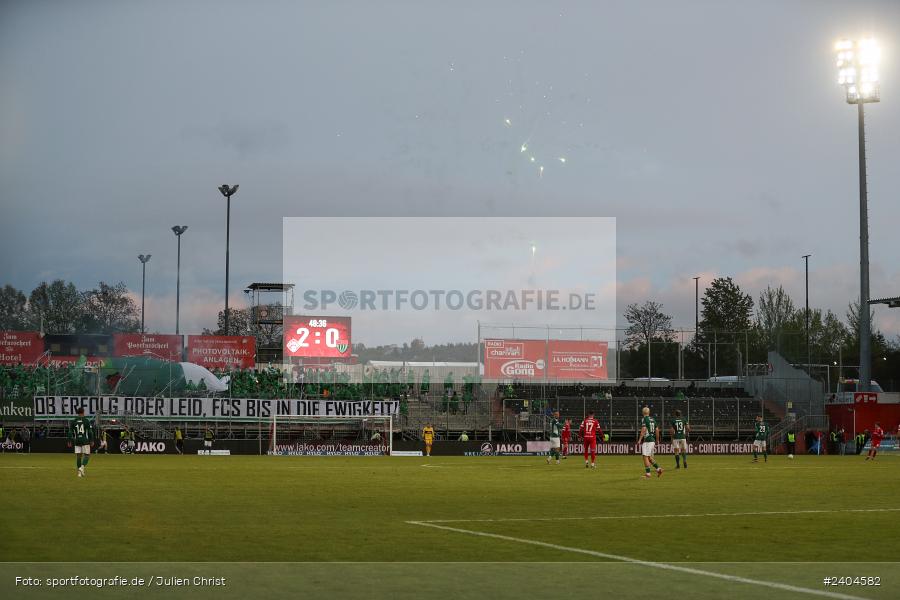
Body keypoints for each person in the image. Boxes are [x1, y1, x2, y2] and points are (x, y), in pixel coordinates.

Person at [67, 407, 95, 478]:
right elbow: (90, 432)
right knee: (87, 455)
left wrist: (69, 440)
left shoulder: (74, 421)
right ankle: (82, 468)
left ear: (77, 412)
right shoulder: (86, 421)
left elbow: (70, 432)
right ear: (83, 412)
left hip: (77, 441)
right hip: (85, 440)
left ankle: (79, 473)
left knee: (78, 456)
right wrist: (91, 440)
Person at [638, 406, 663, 479]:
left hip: (648, 441)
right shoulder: (653, 419)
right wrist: (657, 440)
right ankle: (659, 469)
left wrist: (640, 439)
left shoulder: (644, 419)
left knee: (645, 457)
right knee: (649, 458)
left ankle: (648, 474)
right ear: (649, 412)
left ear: (643, 413)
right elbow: (657, 430)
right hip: (652, 441)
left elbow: (644, 429)